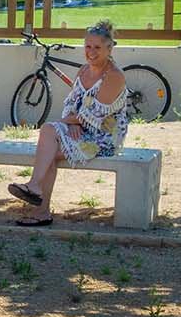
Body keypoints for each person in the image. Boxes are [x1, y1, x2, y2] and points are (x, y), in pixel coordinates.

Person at [8, 21, 128, 227]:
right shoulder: (83, 70)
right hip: (81, 129)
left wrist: (68, 122)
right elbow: (72, 104)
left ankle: (38, 201)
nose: (91, 52)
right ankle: (37, 198)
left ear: (109, 49)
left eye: (97, 47)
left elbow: (95, 115)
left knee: (48, 144)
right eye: (88, 46)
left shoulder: (114, 76)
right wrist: (73, 124)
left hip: (103, 138)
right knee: (49, 138)